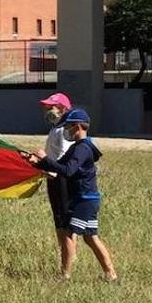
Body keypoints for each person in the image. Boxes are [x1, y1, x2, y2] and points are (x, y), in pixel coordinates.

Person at [30, 109, 117, 281]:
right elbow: (58, 165)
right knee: (91, 238)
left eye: (68, 127)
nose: (66, 131)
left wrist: (46, 159)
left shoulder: (83, 148)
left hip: (84, 200)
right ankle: (111, 274)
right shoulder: (78, 147)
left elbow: (68, 171)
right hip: (87, 199)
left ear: (78, 126)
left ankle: (65, 275)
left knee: (69, 234)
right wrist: (38, 163)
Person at [27, 92, 76, 277]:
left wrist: (43, 162)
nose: (47, 111)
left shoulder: (64, 132)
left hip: (61, 181)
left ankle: (65, 272)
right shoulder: (56, 128)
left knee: (65, 228)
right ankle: (68, 263)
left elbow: (63, 161)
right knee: (60, 226)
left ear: (63, 108)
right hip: (54, 180)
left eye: (50, 107)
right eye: (46, 108)